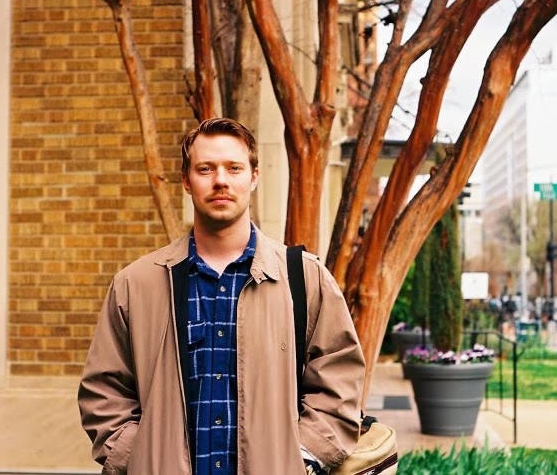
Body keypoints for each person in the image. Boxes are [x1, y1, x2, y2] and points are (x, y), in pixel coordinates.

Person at [78, 118, 365, 474]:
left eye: (234, 167)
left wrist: (301, 456)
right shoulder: (136, 284)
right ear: (186, 180)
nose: (221, 181)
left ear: (254, 176)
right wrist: (137, 457)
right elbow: (103, 391)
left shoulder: (303, 278)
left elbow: (340, 381)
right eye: (205, 168)